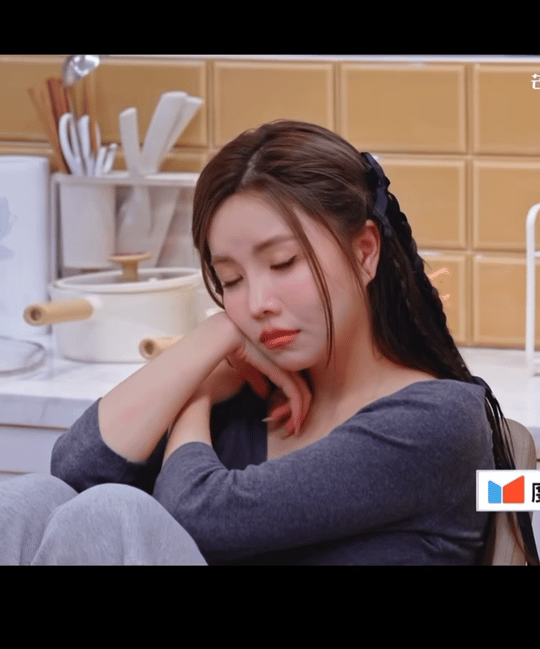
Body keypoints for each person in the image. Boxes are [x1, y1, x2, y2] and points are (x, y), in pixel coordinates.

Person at [0, 119, 537, 565]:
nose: (256, 303)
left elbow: (198, 516)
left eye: (283, 263)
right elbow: (76, 470)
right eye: (231, 279)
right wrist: (212, 338)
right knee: (31, 499)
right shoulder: (247, 406)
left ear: (365, 253)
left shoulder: (436, 422)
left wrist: (195, 397)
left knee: (112, 513)